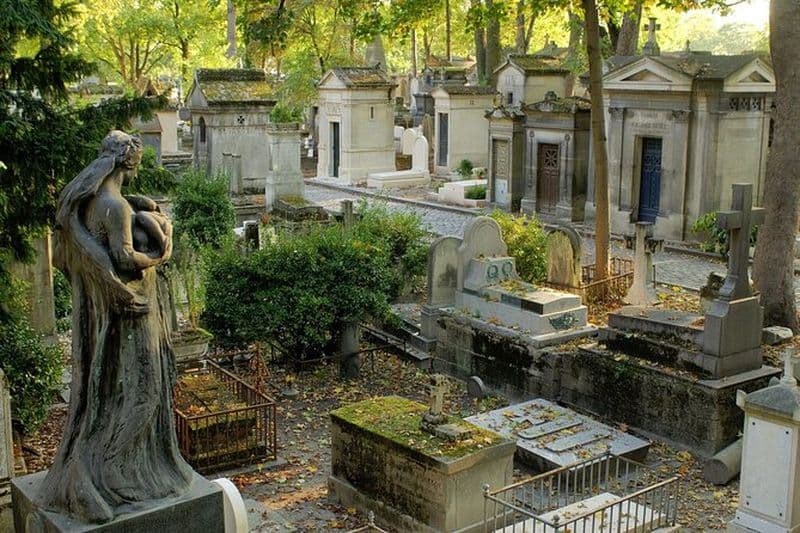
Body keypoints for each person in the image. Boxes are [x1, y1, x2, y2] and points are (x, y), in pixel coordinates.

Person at [41, 131, 194, 523]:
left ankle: (105, 466)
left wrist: (140, 205)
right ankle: (114, 472)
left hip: (105, 315)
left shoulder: (91, 201)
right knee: (144, 390)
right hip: (133, 312)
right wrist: (160, 253)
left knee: (109, 394)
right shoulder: (118, 209)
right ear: (130, 162)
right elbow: (125, 259)